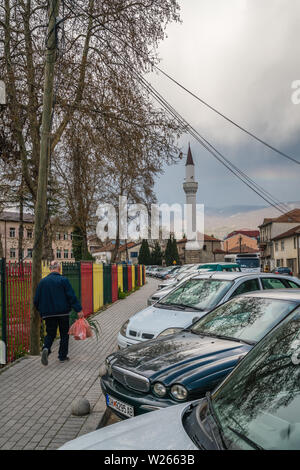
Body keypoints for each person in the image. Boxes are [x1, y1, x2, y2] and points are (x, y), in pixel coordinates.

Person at [34, 261, 84, 366]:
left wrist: (41, 312)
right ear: (59, 269)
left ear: (49, 269)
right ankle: (62, 356)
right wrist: (78, 310)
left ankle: (46, 348)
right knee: (64, 335)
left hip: (48, 314)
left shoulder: (42, 282)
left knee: (50, 334)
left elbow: (36, 300)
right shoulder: (63, 280)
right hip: (63, 313)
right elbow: (71, 296)